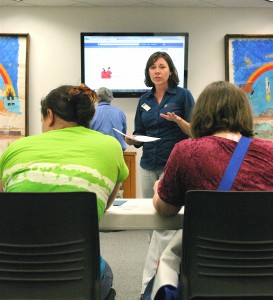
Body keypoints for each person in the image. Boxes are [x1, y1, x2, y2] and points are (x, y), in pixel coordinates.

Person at [0, 83, 129, 300]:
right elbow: (103, 205)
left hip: (12, 276)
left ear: (49, 115)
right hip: (78, 278)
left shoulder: (15, 148)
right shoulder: (111, 146)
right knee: (105, 272)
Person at [149, 80, 273, 299]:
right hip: (265, 275)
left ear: (201, 114)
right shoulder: (269, 152)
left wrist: (159, 187)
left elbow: (165, 209)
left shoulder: (187, 151)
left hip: (205, 275)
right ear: (243, 114)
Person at [124, 51, 195, 297]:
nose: (157, 71)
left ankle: (172, 267)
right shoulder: (144, 99)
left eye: (162, 66)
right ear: (148, 72)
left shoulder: (183, 95)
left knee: (170, 216)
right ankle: (154, 265)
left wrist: (177, 121)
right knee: (151, 216)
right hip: (148, 164)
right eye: (153, 67)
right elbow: (139, 134)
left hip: (172, 165)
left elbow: (195, 131)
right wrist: (132, 139)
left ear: (170, 71)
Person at [90, 87, 127, 151]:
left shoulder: (91, 113)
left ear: (96, 98)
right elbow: (123, 133)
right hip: (116, 151)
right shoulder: (120, 113)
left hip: (96, 150)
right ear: (111, 98)